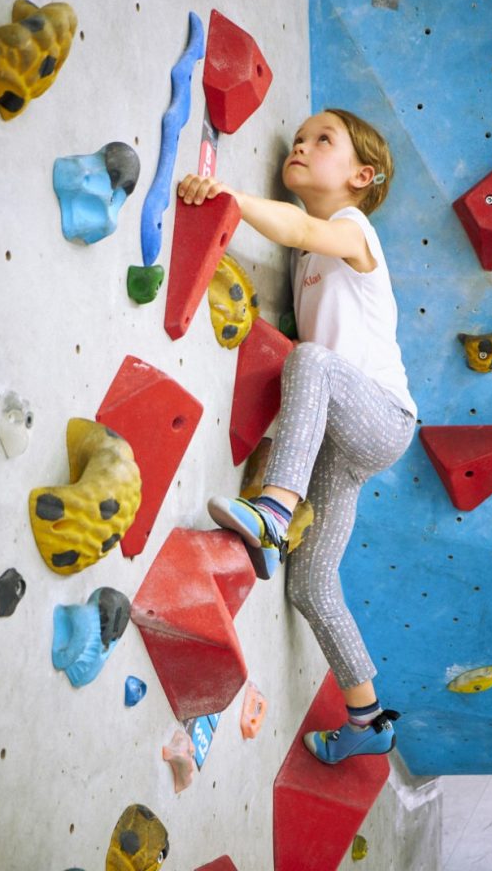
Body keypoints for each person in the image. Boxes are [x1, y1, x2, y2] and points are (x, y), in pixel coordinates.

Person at [177, 108, 417, 764]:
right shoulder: (306, 253)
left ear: (360, 176)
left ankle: (274, 512)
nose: (302, 146)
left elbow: (298, 224)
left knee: (308, 360)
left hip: (380, 419)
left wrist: (230, 196)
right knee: (311, 585)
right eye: (298, 139)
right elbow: (295, 236)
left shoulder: (351, 229)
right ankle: (368, 722)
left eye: (322, 141)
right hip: (342, 445)